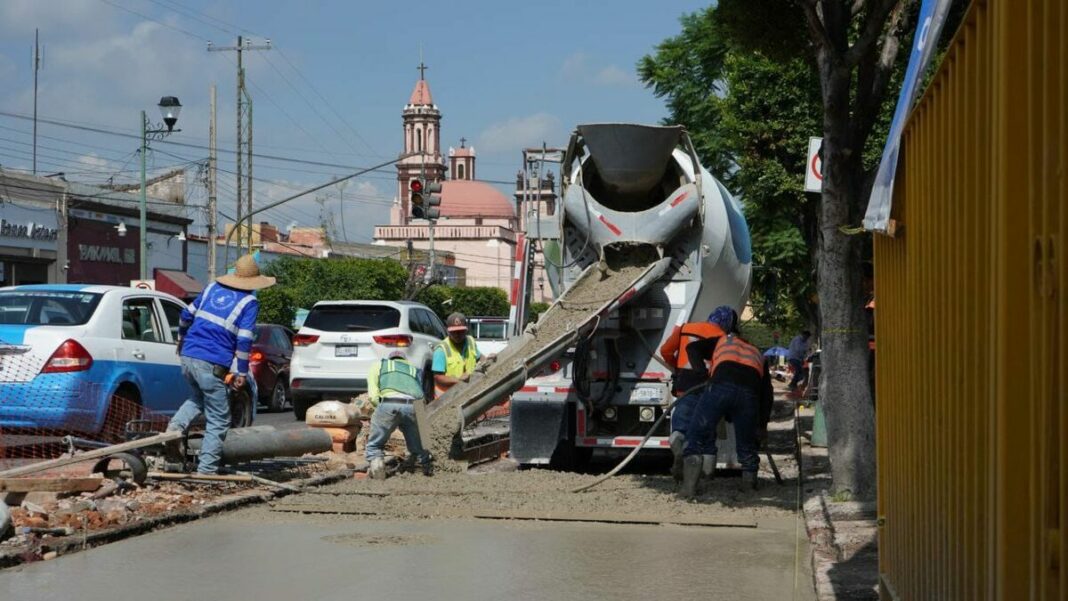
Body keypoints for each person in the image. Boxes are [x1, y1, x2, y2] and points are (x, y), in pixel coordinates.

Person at [167, 254, 274, 475]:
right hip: (212, 361)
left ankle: (174, 430)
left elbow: (186, 314)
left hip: (188, 356)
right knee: (219, 418)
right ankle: (206, 470)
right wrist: (242, 372)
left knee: (198, 399)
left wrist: (181, 340)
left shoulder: (212, 288)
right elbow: (244, 339)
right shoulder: (249, 302)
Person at [679, 306, 773, 498]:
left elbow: (692, 348)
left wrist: (703, 375)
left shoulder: (723, 340)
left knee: (696, 436)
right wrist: (762, 426)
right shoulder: (758, 353)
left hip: (720, 387)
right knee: (747, 446)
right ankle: (749, 488)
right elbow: (767, 395)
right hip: (749, 395)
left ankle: (688, 490)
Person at [658, 308, 731, 481]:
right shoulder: (725, 339)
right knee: (707, 436)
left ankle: (678, 446)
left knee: (680, 427)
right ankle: (706, 477)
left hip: (686, 387)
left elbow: (666, 350)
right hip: (710, 391)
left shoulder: (685, 328)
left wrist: (675, 365)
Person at [366, 350, 433, 479]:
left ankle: (377, 466)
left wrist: (379, 410)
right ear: (404, 360)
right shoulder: (414, 369)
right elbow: (422, 395)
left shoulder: (380, 365)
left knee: (375, 444)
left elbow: (373, 395)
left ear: (390, 359)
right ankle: (423, 468)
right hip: (415, 406)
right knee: (421, 445)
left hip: (389, 402)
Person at [432, 313, 482, 398]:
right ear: (448, 331)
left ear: (466, 330)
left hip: (469, 393)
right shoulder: (441, 350)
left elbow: (479, 358)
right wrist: (458, 380)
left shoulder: (470, 341)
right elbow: (437, 377)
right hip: (447, 398)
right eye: (454, 332)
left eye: (461, 331)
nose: (457, 335)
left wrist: (488, 359)